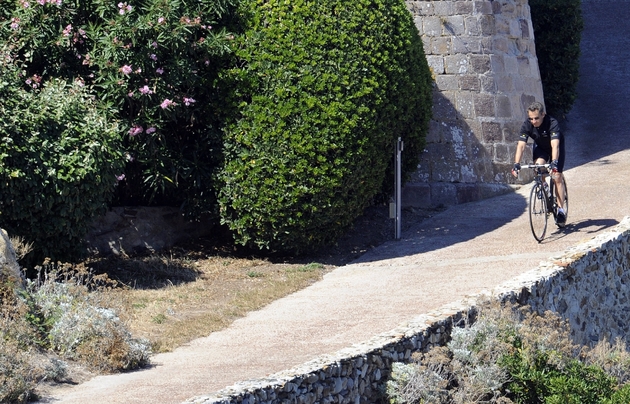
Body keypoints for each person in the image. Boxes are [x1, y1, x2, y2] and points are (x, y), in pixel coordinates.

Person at [511, 101, 566, 225]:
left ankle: (561, 210)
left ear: (543, 114)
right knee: (538, 167)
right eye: (531, 118)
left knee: (557, 177)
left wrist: (554, 163)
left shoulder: (552, 123)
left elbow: (555, 145)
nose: (533, 121)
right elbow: (521, 146)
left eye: (536, 118)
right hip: (541, 148)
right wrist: (516, 164)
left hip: (555, 148)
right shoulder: (527, 125)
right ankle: (544, 186)